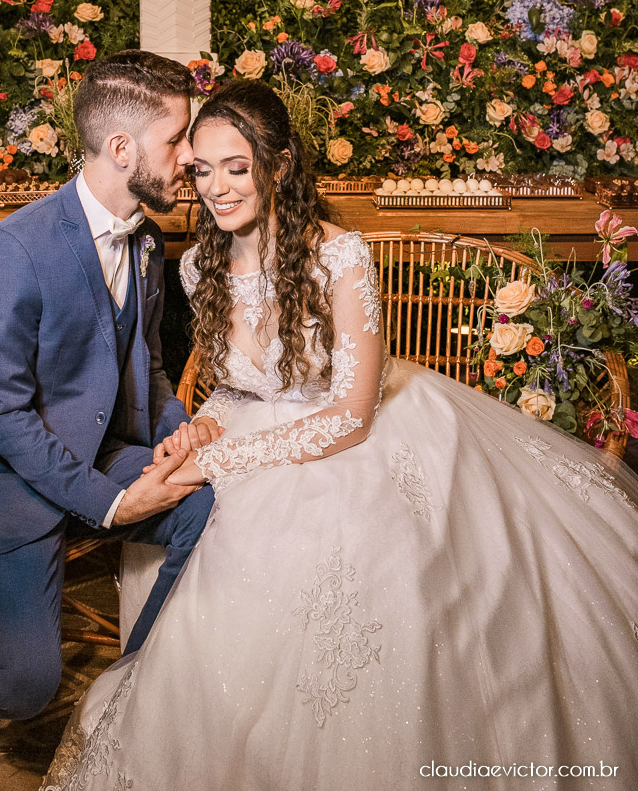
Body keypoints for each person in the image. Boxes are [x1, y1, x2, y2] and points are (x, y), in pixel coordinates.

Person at [41, 80, 638, 791]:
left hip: (362, 436)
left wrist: (216, 462)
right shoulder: (200, 263)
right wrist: (202, 428)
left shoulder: (340, 256)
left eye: (236, 167)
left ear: (280, 165)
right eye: (201, 170)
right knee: (189, 523)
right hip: (258, 430)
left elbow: (352, 415)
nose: (217, 189)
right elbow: (238, 386)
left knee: (320, 549)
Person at [0, 51, 216, 763]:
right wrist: (113, 503)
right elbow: (0, 419)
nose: (190, 157)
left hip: (100, 453)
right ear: (122, 149)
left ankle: (141, 676)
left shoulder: (146, 241)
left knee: (210, 503)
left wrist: (177, 436)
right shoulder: (13, 250)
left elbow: (145, 367)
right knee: (24, 689)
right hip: (4, 482)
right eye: (176, 138)